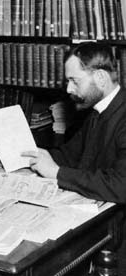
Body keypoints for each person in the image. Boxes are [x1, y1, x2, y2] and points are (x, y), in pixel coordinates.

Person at [23, 42, 126, 203]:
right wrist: (30, 155)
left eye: (75, 81)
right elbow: (70, 155)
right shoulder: (96, 111)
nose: (69, 89)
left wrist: (56, 173)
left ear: (101, 78)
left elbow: (121, 186)